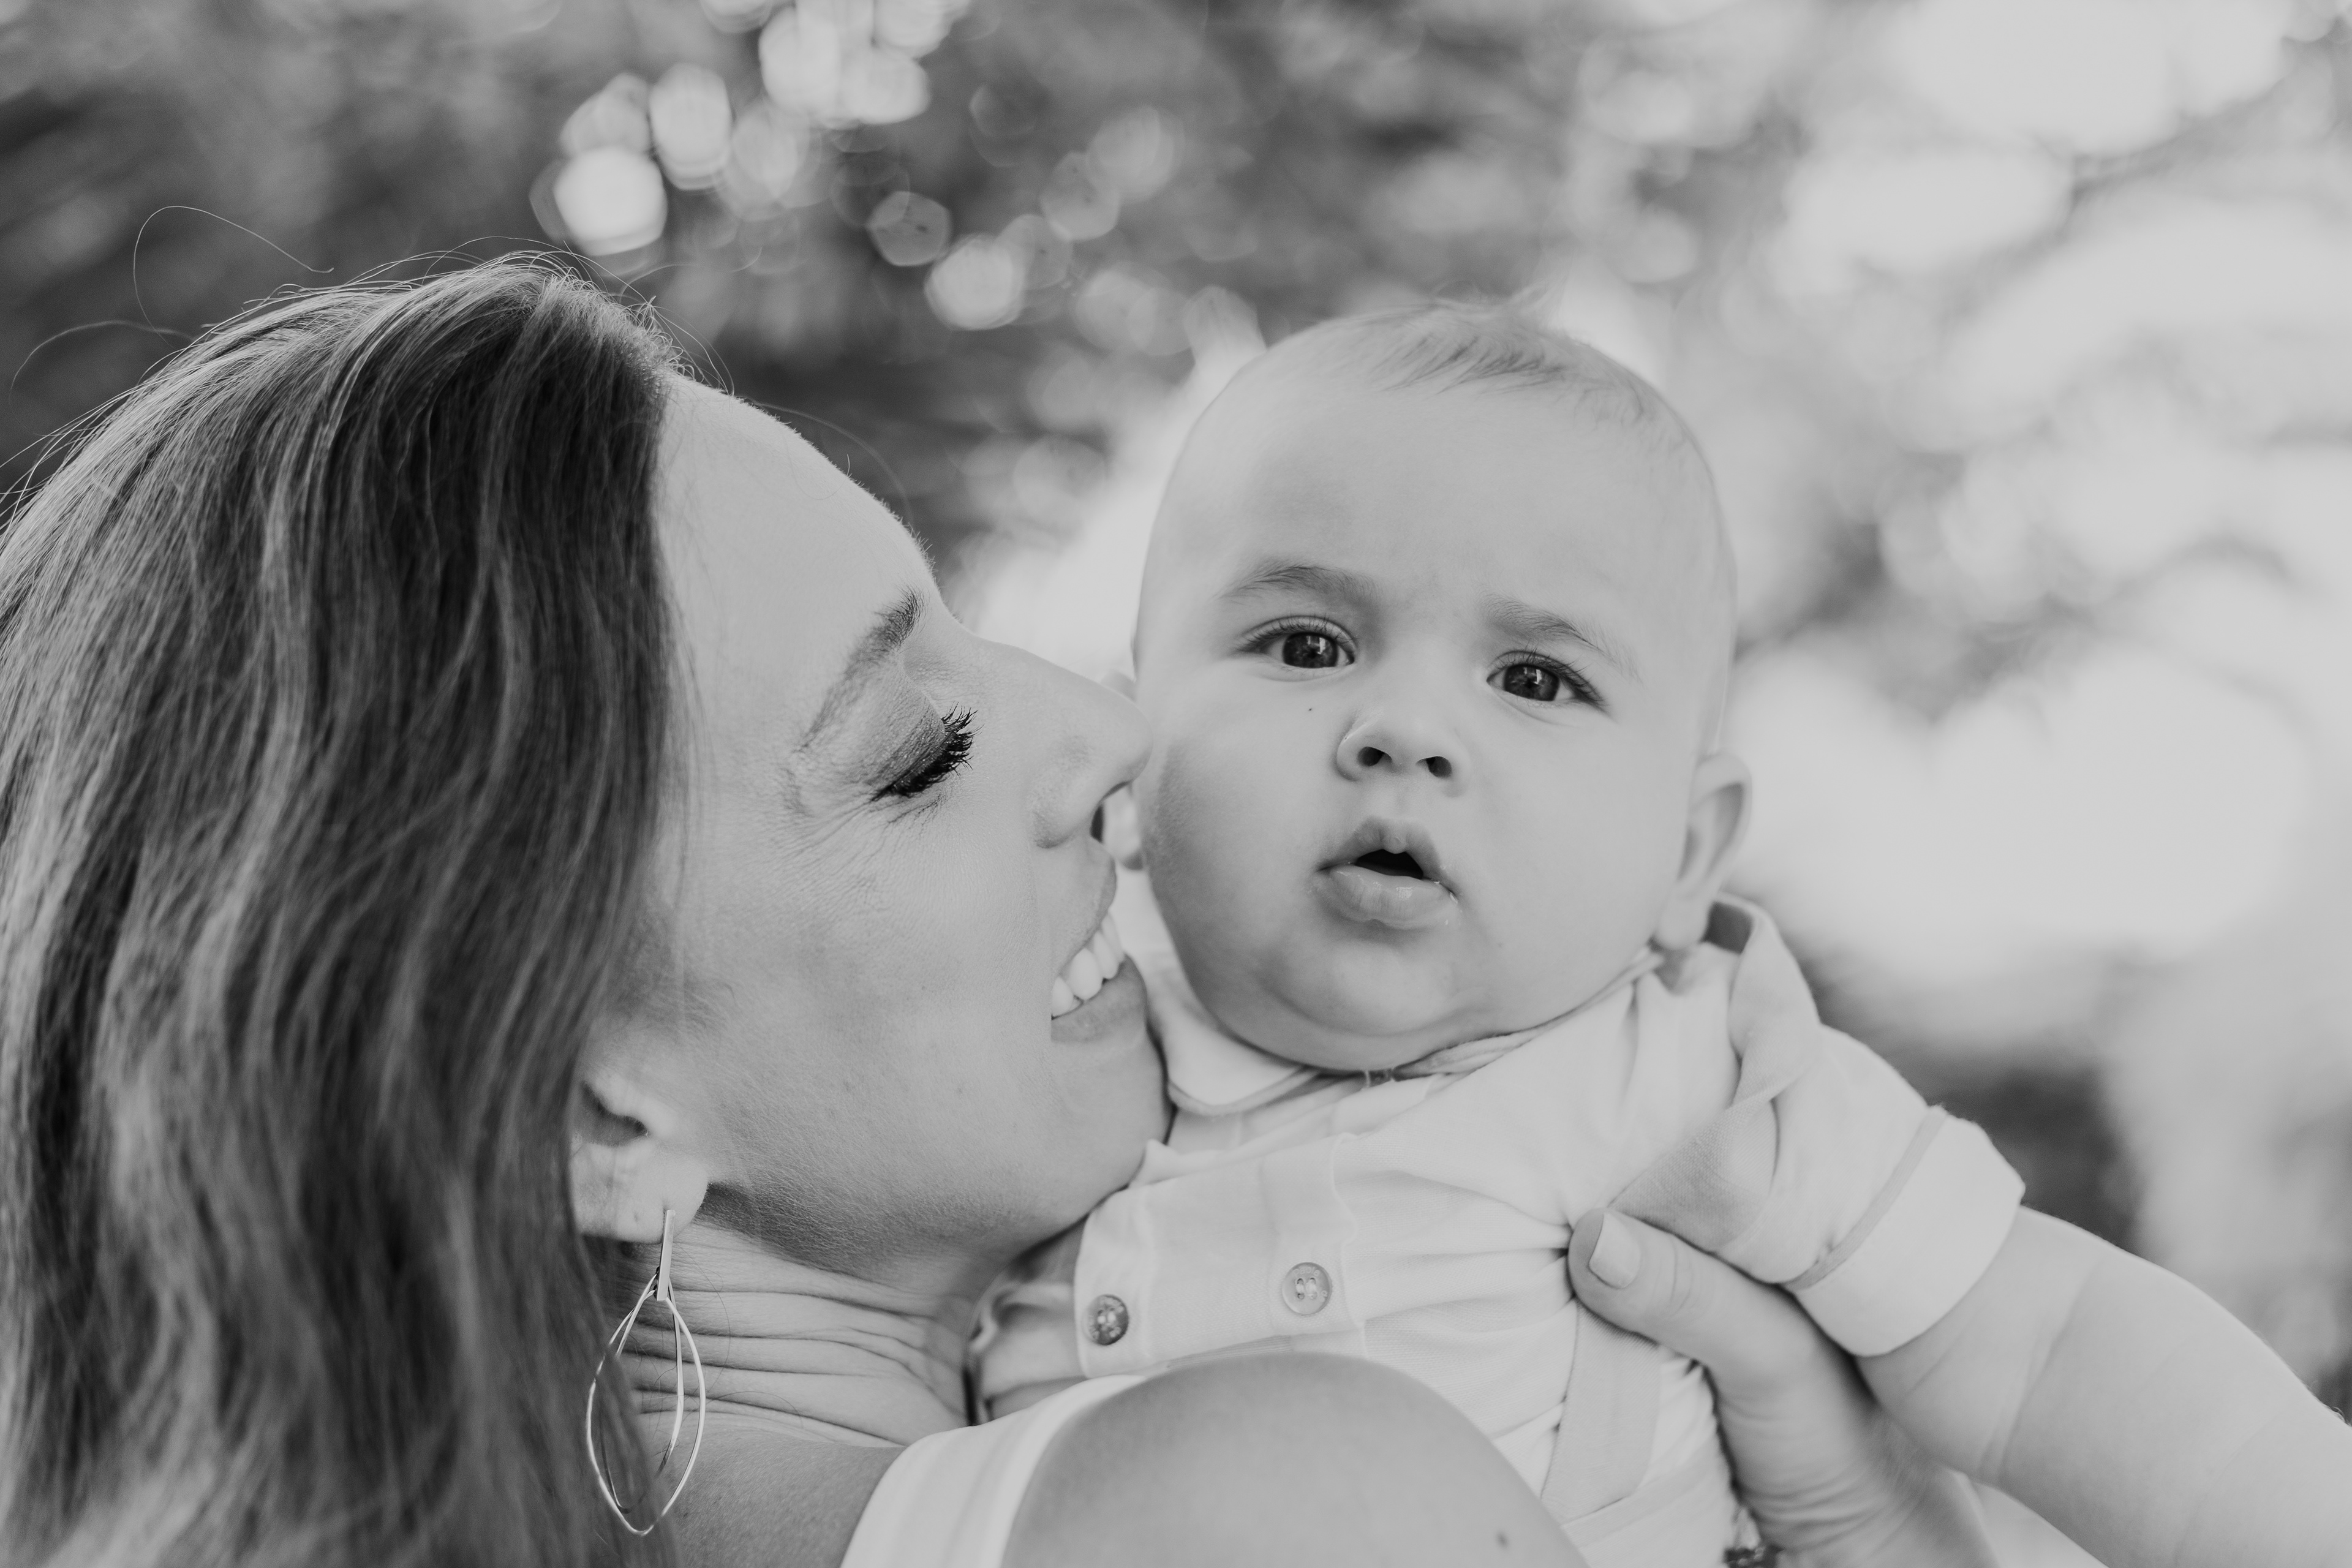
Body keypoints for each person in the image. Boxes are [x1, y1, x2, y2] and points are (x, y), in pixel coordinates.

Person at [0, 262, 1992, 1568]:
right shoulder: (1282, 1506)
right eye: (917, 751)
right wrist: (1867, 1525)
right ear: (606, 1114)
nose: (1114, 737)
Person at [974, 304, 2352, 1567]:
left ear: (1688, 853)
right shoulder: (1035, 1050)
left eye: (1534, 676)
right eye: (1307, 645)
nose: (1404, 728)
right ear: (1130, 754)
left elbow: (2047, 1345)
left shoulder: (1695, 1082)